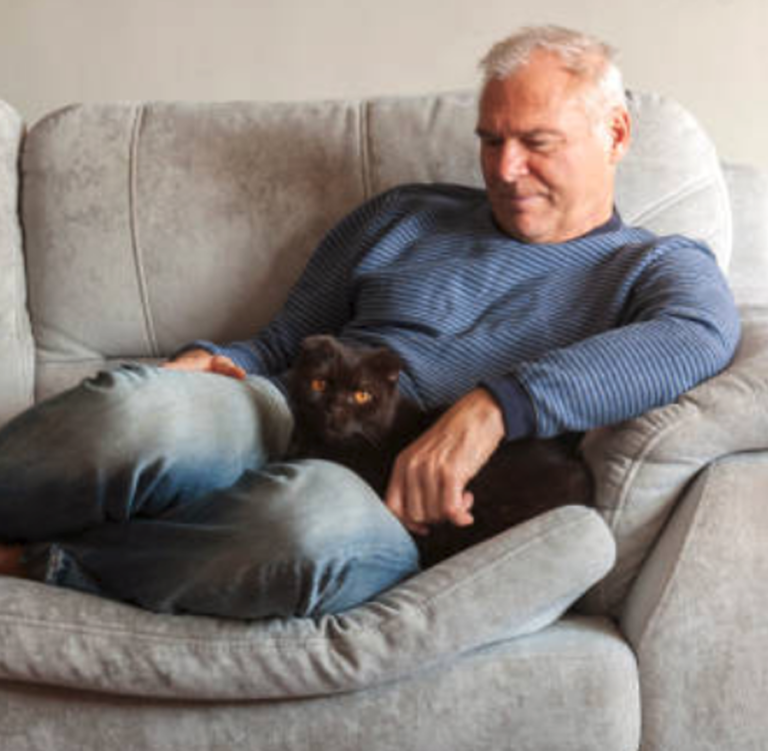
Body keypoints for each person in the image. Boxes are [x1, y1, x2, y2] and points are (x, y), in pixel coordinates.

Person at [0, 25, 740, 619]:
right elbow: (283, 343)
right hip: (286, 414)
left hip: (392, 502)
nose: (505, 168)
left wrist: (492, 408)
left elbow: (698, 337)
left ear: (614, 134)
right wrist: (209, 363)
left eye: (537, 143)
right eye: (490, 139)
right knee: (137, 408)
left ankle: (52, 564)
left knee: (304, 531)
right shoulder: (404, 213)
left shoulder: (655, 264)